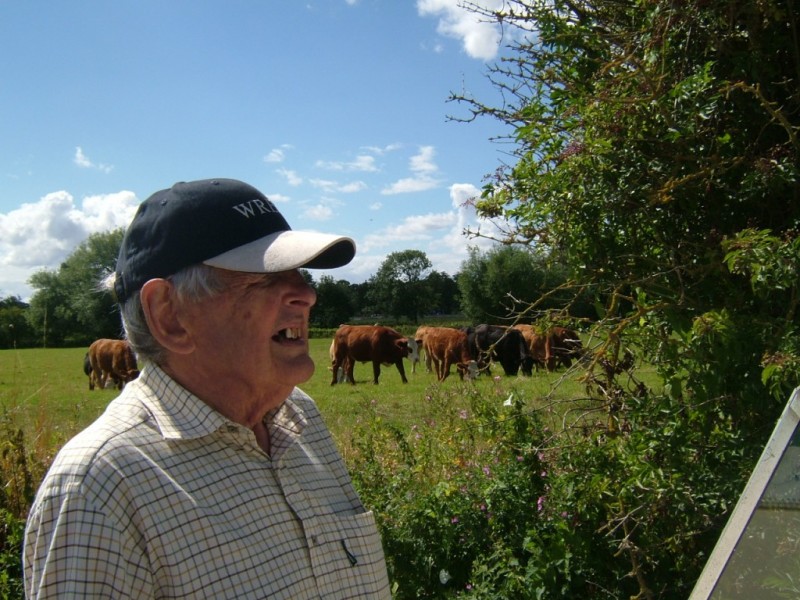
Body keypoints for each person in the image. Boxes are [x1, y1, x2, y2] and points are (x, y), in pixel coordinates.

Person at [23, 178, 391, 599]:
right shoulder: (98, 489)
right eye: (262, 277)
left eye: (298, 275)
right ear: (169, 316)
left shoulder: (300, 417)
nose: (307, 295)